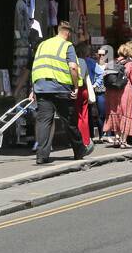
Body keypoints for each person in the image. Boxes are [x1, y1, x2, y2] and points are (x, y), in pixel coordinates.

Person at [31, 22, 92, 163]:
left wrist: (33, 88)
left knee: (44, 122)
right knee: (69, 120)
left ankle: (41, 155)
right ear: (68, 33)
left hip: (41, 87)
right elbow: (73, 68)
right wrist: (76, 87)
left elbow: (35, 65)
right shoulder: (67, 45)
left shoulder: (42, 45)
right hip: (60, 88)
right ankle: (79, 150)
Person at [102, 40, 132, 146]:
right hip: (125, 91)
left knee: (114, 113)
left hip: (111, 92)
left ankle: (116, 138)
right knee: (125, 114)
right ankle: (123, 141)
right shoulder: (130, 64)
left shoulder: (111, 62)